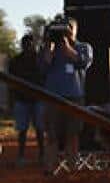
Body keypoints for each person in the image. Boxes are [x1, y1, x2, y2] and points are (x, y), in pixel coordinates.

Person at [40, 15, 93, 173]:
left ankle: (72, 169)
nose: (66, 30)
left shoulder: (83, 46)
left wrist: (68, 47)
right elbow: (42, 69)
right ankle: (50, 169)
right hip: (52, 97)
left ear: (75, 29)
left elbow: (84, 63)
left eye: (69, 27)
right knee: (51, 134)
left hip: (74, 97)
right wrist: (48, 50)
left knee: (73, 134)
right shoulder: (49, 48)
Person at [8, 34, 46, 165]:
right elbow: (11, 83)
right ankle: (21, 156)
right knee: (22, 130)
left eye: (30, 44)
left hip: (38, 99)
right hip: (21, 100)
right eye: (25, 44)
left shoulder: (40, 60)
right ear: (22, 46)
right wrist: (11, 101)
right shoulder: (15, 61)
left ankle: (42, 155)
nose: (28, 47)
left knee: (40, 129)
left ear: (33, 45)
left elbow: (45, 78)